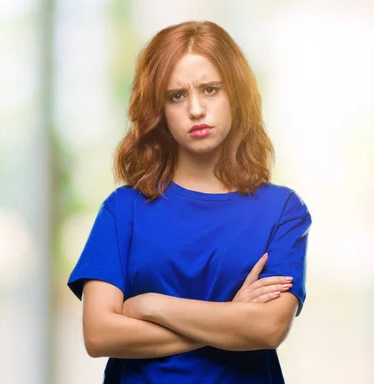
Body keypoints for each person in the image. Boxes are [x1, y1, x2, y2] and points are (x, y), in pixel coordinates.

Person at [67, 20, 312, 384]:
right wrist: (230, 318)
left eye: (210, 90)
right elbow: (100, 335)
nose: (195, 109)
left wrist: (150, 306)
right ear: (159, 109)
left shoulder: (283, 211)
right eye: (176, 96)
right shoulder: (123, 210)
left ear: (237, 95)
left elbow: (267, 329)